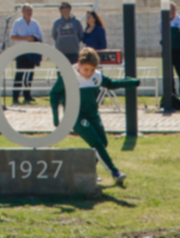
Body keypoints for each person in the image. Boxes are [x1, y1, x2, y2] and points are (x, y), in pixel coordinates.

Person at [51, 47, 140, 186]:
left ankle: (88, 170)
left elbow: (110, 83)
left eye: (92, 70)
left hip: (93, 114)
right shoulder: (67, 76)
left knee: (103, 143)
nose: (89, 73)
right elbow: (54, 94)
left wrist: (130, 82)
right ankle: (115, 172)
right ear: (79, 65)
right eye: (86, 70)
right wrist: (55, 117)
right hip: (75, 116)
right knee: (96, 143)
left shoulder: (96, 76)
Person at [7, 4, 44, 105]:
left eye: (30, 10)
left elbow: (40, 36)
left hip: (32, 52)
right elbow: (13, 36)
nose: (29, 12)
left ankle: (27, 96)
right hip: (21, 52)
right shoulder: (18, 22)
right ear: (23, 12)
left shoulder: (35, 23)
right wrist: (25, 38)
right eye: (27, 10)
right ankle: (15, 97)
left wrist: (33, 38)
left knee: (29, 74)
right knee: (19, 74)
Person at [164, 3, 180, 97]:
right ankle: (172, 93)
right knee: (169, 73)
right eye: (170, 9)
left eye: (173, 9)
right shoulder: (164, 21)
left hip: (178, 50)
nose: (171, 11)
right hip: (167, 51)